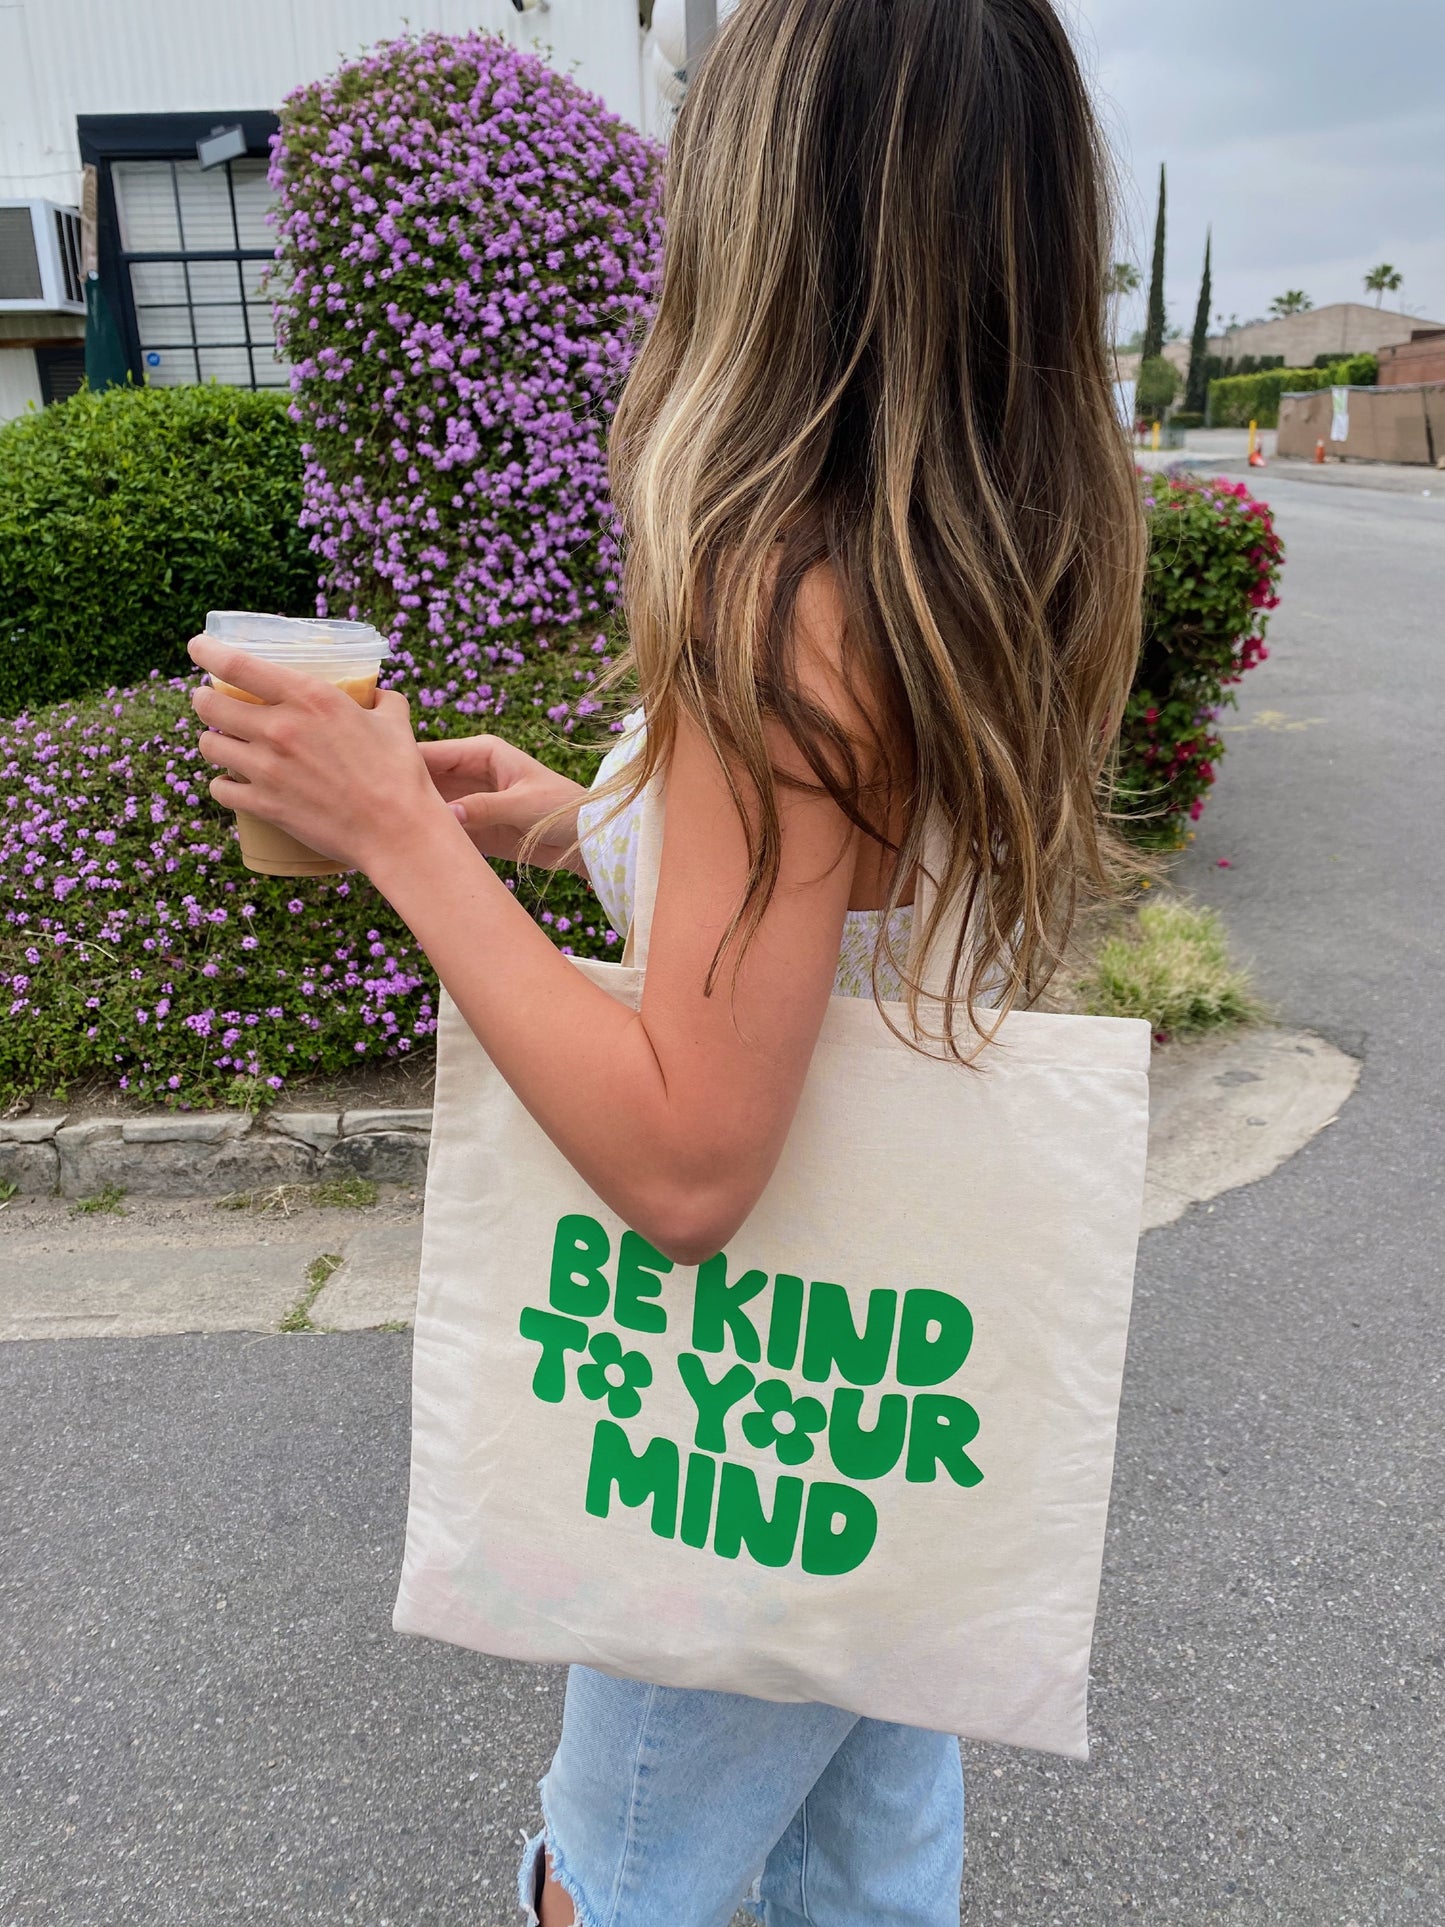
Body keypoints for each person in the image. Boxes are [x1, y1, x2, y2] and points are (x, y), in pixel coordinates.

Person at [187, 1, 1147, 1918]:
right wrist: (579, 815)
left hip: (748, 1396)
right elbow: (845, 907)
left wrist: (388, 835)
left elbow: (690, 1163)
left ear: (763, 205)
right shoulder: (956, 546)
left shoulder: (779, 603)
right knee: (865, 1864)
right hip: (882, 1388)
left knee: (622, 1872)